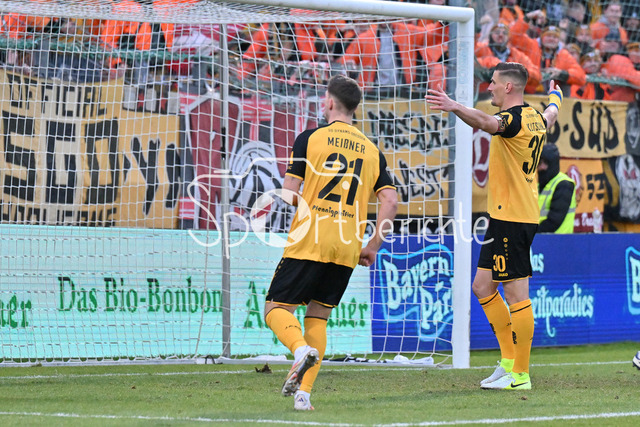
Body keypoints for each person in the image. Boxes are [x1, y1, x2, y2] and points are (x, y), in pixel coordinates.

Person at [264, 74, 398, 410]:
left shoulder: (310, 138)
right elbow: (391, 201)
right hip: (347, 244)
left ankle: (299, 350)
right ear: (354, 107)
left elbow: (289, 193)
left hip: (311, 238)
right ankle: (303, 395)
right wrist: (373, 245)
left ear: (328, 103)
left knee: (275, 309)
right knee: (318, 317)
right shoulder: (372, 151)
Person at [426, 62, 562, 390]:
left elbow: (486, 122)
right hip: (507, 216)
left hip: (513, 217)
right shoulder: (536, 117)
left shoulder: (513, 120)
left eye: (494, 82)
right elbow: (552, 114)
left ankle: (521, 375)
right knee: (482, 286)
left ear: (509, 87)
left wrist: (454, 106)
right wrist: (556, 97)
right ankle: (508, 362)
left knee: (515, 293)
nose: (490, 87)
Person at [537, 144, 576, 233]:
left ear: (552, 164)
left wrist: (530, 233)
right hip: (540, 238)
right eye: (539, 162)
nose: (541, 167)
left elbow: (555, 220)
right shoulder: (539, 185)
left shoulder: (564, 184)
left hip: (558, 239)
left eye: (545, 162)